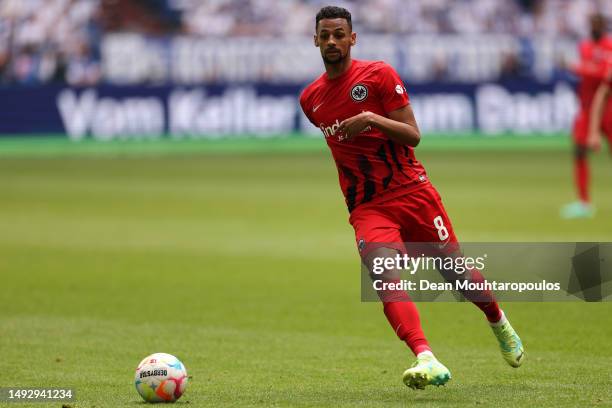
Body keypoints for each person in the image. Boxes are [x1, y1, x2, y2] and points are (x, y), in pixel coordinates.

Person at [299, 6, 524, 390]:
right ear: (315, 40)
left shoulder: (379, 75)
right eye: (325, 35)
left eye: (339, 34)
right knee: (384, 276)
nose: (332, 41)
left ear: (353, 39)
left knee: (458, 277)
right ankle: (426, 357)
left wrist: (371, 118)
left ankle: (497, 320)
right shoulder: (311, 100)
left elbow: (413, 135)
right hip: (367, 207)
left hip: (412, 193)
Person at [562, 13, 612, 219]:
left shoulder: (609, 46)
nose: (594, 27)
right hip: (587, 106)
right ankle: (584, 202)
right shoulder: (585, 46)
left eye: (597, 24)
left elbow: (604, 74)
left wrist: (580, 67)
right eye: (592, 24)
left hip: (609, 106)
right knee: (579, 150)